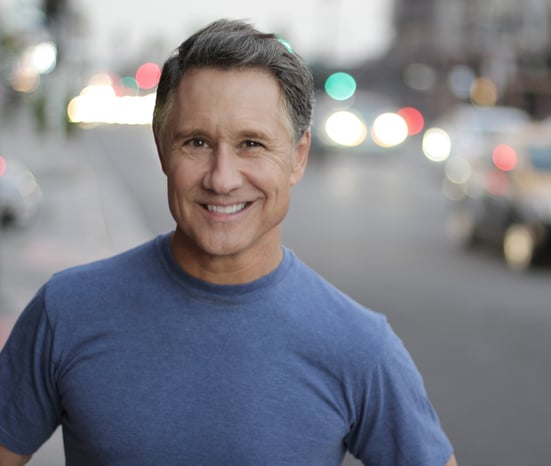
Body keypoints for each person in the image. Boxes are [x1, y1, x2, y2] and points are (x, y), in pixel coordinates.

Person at [0, 19, 457, 466]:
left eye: (252, 144)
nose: (222, 179)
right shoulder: (67, 312)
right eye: (197, 142)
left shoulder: (359, 347)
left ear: (297, 158)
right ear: (162, 149)